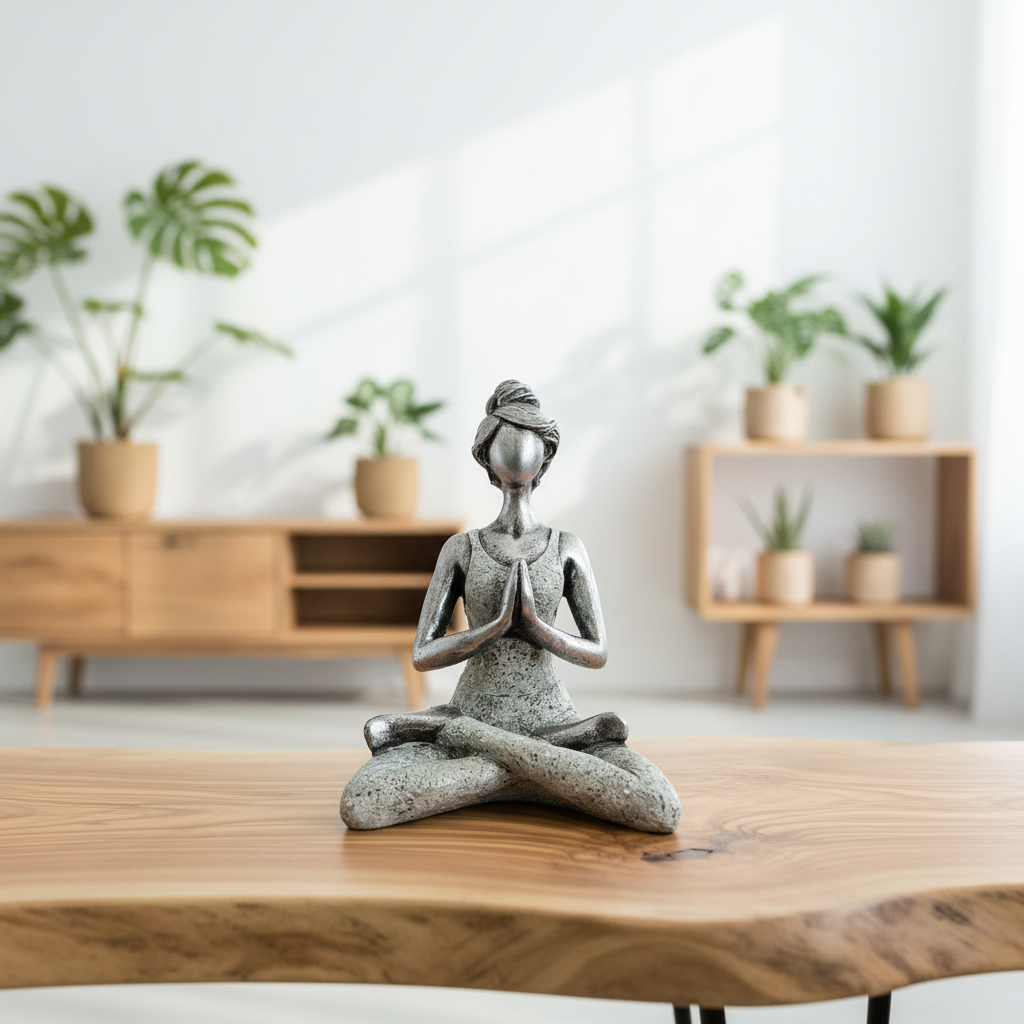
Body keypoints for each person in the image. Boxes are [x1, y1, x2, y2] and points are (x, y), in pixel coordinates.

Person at [339, 380, 681, 833]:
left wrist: (539, 630)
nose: (517, 447)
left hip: (551, 724)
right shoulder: (462, 549)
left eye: (527, 435)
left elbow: (597, 652)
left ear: (546, 454)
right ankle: (536, 772)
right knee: (363, 801)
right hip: (479, 716)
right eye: (505, 433)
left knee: (657, 803)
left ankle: (496, 759)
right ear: (486, 455)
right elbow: (423, 655)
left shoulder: (566, 547)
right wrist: (492, 629)